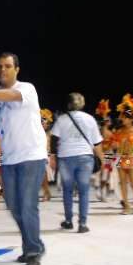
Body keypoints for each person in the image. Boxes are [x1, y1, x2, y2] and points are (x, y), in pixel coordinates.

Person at [0, 52, 48, 265]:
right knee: (15, 207)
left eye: (7, 66)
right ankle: (34, 244)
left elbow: (12, 96)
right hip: (8, 159)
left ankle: (32, 251)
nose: (2, 70)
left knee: (27, 205)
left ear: (16, 69)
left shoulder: (26, 89)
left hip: (31, 155)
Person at [49, 93, 103, 232]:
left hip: (66, 157)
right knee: (84, 191)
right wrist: (101, 159)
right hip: (85, 157)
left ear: (68, 104)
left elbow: (54, 139)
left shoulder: (61, 119)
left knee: (67, 190)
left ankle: (68, 221)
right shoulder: (90, 119)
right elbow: (97, 143)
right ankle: (82, 224)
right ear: (82, 104)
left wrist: (53, 156)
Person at [112, 94, 133, 214]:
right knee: (122, 182)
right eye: (124, 117)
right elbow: (114, 146)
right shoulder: (119, 131)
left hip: (131, 157)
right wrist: (117, 144)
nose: (125, 119)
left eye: (127, 117)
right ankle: (126, 205)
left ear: (132, 118)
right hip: (121, 158)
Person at [40, 108, 54, 202]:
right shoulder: (38, 133)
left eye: (44, 122)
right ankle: (47, 192)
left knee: (43, 176)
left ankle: (47, 192)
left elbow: (52, 146)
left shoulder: (49, 134)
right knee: (41, 176)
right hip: (40, 155)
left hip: (46, 156)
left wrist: (53, 156)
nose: (43, 124)